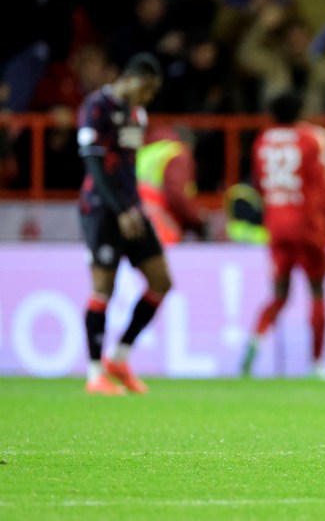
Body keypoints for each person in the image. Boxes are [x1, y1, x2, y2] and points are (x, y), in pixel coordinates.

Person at [241, 93, 325, 379]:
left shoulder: (262, 140)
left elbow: (258, 183)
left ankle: (254, 343)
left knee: (279, 294)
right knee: (316, 291)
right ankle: (317, 363)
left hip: (277, 226)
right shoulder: (312, 137)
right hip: (308, 226)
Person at [77, 53, 170, 395]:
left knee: (161, 281)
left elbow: (129, 168)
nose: (148, 98)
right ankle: (94, 373)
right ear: (130, 78)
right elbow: (94, 166)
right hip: (101, 210)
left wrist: (136, 207)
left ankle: (120, 356)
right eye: (146, 89)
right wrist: (119, 209)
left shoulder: (137, 115)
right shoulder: (95, 107)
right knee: (103, 288)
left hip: (132, 209)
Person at [136, 125, 206, 244]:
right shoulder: (178, 153)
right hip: (159, 218)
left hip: (137, 213)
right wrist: (197, 219)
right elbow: (176, 196)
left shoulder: (150, 149)